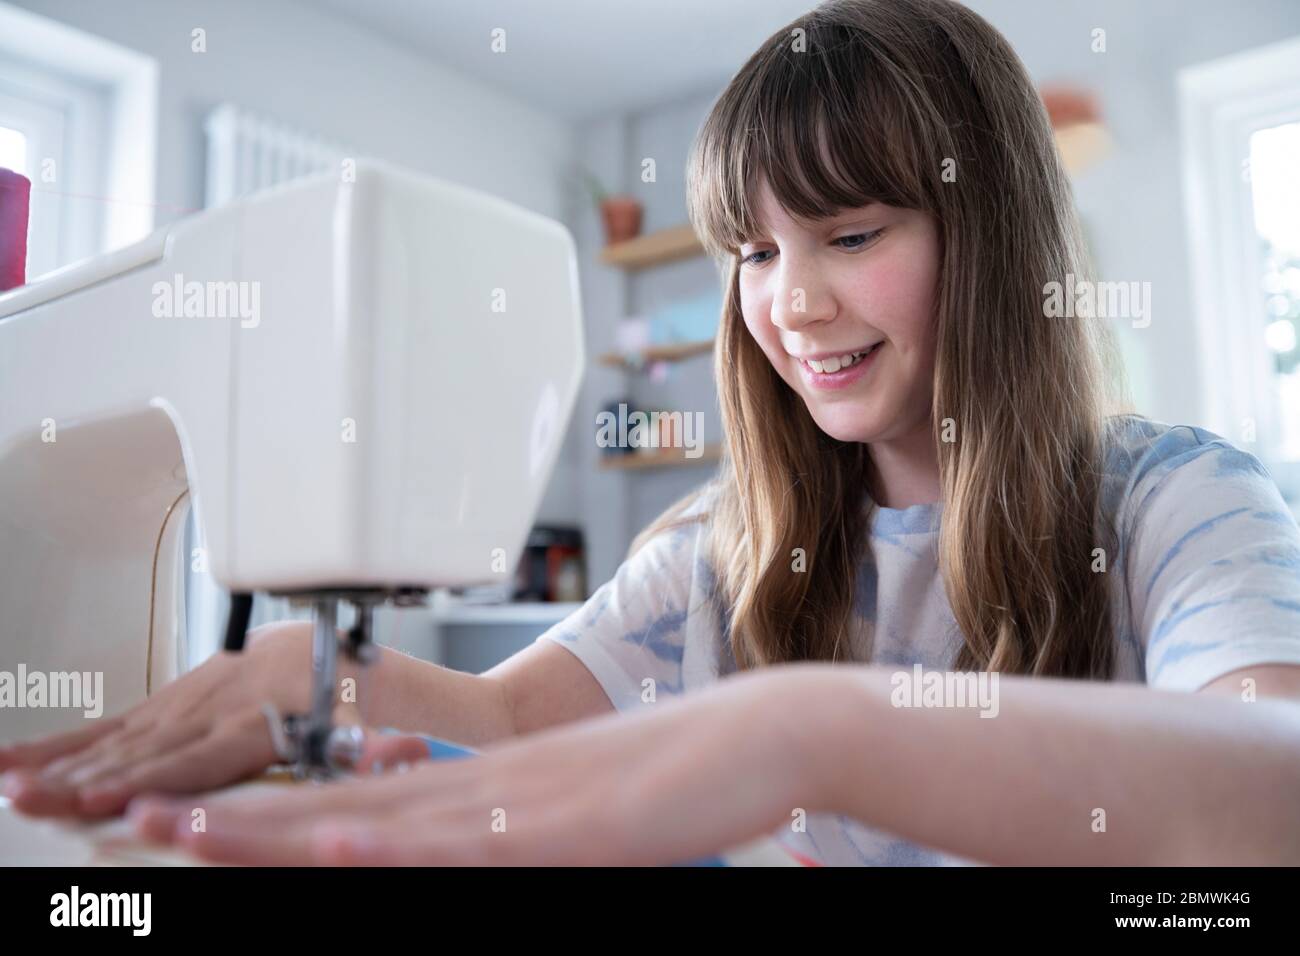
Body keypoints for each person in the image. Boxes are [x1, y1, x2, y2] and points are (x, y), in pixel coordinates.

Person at [4, 0, 1299, 866]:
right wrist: (321, 676)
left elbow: (1272, 777)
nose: (791, 304)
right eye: (755, 251)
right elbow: (508, 724)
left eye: (852, 236)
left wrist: (812, 731)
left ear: (997, 242)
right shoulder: (723, 550)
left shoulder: (1173, 506)